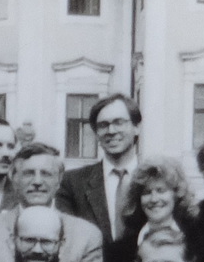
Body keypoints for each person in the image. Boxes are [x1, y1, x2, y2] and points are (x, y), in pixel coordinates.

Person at [0, 143, 103, 262]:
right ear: (14, 179)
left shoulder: (87, 235)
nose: (37, 181)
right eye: (28, 173)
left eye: (46, 174)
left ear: (59, 180)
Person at [101, 155, 196, 262]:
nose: (154, 199)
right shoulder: (117, 252)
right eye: (146, 192)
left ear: (176, 195)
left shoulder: (197, 241)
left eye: (161, 190)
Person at [56, 94, 144, 243]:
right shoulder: (72, 183)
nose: (111, 131)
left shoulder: (154, 180)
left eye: (119, 122)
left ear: (136, 127)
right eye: (103, 125)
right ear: (96, 134)